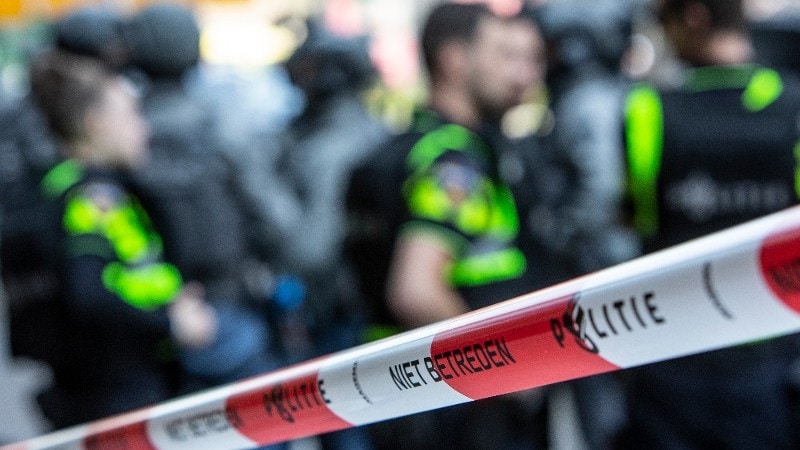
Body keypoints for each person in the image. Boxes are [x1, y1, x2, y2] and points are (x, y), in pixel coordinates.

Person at [351, 3, 550, 449]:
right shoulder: (453, 160)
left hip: (417, 398)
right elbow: (415, 291)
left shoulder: (416, 143)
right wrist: (506, 370)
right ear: (455, 60)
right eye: (502, 54)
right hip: (459, 409)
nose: (520, 73)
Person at [619, 0, 800, 448]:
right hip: (774, 354)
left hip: (674, 353)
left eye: (664, 21)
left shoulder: (646, 109)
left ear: (693, 16)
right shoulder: (792, 104)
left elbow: (638, 217)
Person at [27, 49, 218, 429]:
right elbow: (88, 293)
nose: (143, 128)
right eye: (132, 114)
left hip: (125, 379)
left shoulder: (83, 186)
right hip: (116, 390)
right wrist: (171, 324)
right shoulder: (91, 198)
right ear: (96, 124)